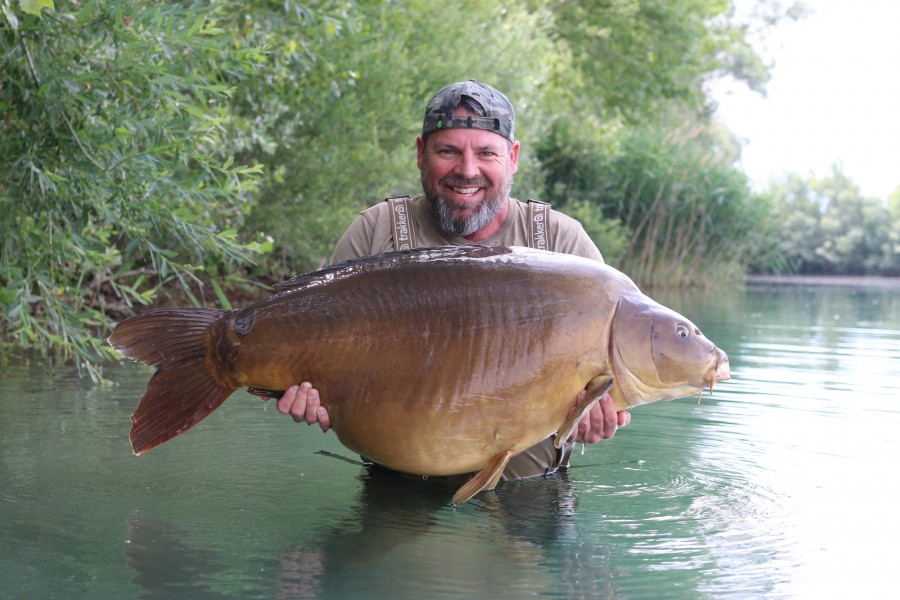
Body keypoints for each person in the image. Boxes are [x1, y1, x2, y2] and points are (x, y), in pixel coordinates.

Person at [276, 80, 631, 481]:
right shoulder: (375, 232)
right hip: (398, 483)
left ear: (512, 157)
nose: (467, 170)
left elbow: (607, 385)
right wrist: (312, 394)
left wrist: (594, 418)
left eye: (486, 153)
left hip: (526, 495)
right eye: (448, 151)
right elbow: (317, 346)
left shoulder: (564, 244)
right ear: (420, 154)